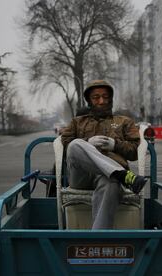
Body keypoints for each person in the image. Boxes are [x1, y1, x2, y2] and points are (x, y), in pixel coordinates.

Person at [61, 79, 147, 229]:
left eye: (106, 97)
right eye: (96, 97)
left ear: (111, 99)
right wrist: (87, 142)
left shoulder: (124, 122)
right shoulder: (77, 122)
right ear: (89, 100)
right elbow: (66, 148)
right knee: (75, 145)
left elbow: (134, 152)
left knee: (111, 183)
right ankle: (122, 175)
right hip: (81, 176)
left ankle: (98, 238)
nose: (101, 101)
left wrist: (115, 145)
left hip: (106, 178)